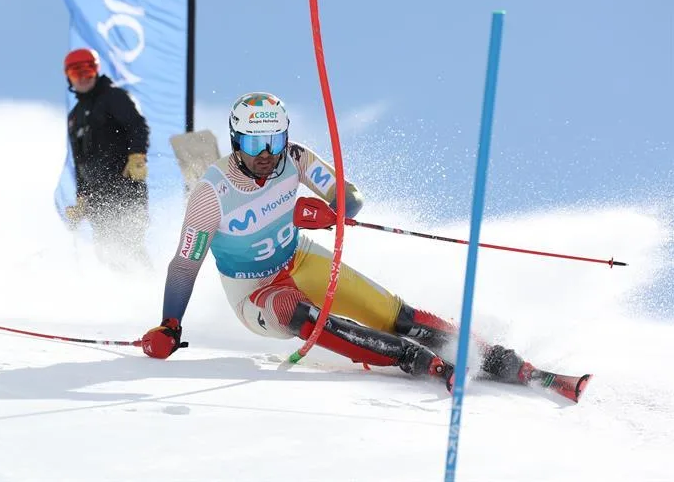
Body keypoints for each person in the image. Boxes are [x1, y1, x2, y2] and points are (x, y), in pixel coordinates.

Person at [141, 92, 531, 387]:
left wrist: (331, 212)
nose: (265, 155)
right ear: (234, 140)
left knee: (395, 315)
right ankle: (412, 359)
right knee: (291, 309)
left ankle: (490, 355)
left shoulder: (295, 158)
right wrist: (170, 324)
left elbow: (351, 196)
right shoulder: (211, 193)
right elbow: (185, 263)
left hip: (299, 258)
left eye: (273, 142)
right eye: (252, 143)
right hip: (252, 291)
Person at [63, 48, 151, 270]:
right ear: (69, 78)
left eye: (88, 71)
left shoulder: (113, 97)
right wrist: (82, 198)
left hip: (125, 186)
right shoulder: (74, 117)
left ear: (96, 70)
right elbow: (79, 162)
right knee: (107, 252)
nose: (83, 78)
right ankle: (126, 298)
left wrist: (137, 155)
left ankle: (151, 288)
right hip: (98, 198)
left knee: (130, 245)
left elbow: (137, 125)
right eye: (76, 73)